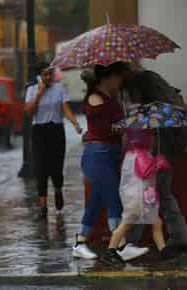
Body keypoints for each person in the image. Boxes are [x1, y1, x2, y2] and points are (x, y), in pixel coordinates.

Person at [72, 62, 148, 261]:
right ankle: (120, 246)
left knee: (96, 202)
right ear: (108, 78)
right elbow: (107, 129)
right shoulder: (96, 98)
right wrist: (124, 126)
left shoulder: (110, 98)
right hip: (98, 156)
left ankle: (79, 243)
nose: (121, 81)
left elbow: (115, 125)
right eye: (119, 77)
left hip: (108, 155)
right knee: (114, 199)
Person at [123, 70, 187, 262]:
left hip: (152, 161)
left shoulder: (147, 112)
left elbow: (143, 140)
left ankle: (129, 243)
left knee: (141, 198)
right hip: (166, 159)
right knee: (165, 197)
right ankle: (180, 239)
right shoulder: (168, 107)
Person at [102, 127, 170, 265]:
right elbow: (145, 172)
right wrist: (158, 161)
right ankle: (110, 251)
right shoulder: (140, 154)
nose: (154, 139)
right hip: (138, 200)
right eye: (151, 136)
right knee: (126, 225)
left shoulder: (131, 154)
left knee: (156, 222)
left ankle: (164, 252)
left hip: (141, 198)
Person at [25, 62, 82, 218]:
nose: (48, 77)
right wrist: (39, 93)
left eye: (50, 73)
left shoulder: (59, 89)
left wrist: (75, 123)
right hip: (39, 132)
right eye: (45, 74)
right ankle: (43, 208)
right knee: (41, 170)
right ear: (39, 76)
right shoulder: (31, 90)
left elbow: (66, 109)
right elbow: (29, 112)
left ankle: (58, 189)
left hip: (56, 132)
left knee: (56, 169)